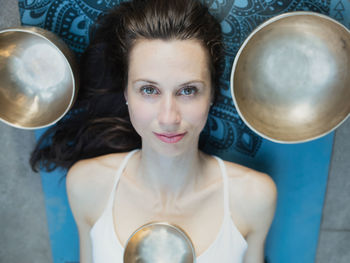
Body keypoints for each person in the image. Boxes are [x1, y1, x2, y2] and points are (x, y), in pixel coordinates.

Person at [31, 0, 277, 262]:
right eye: (149, 90)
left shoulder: (253, 197)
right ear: (126, 92)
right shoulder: (87, 185)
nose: (169, 117)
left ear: (211, 95)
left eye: (188, 90)